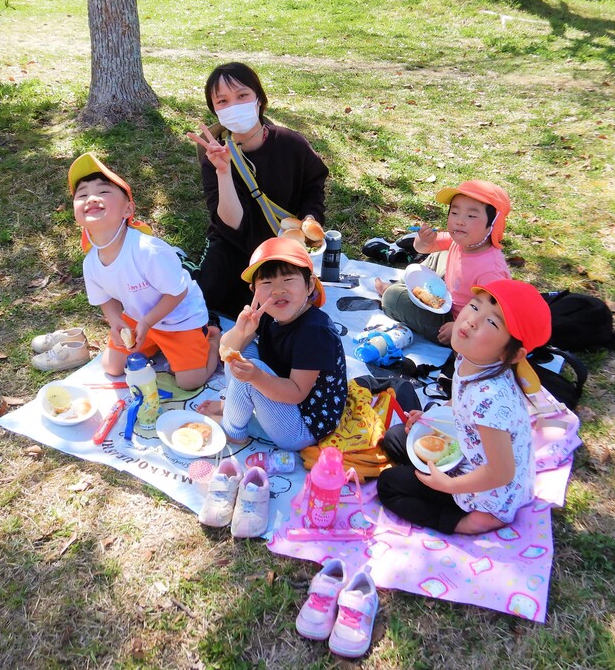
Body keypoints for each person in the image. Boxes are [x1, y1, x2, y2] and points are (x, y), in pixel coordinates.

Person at [376, 279, 551, 535]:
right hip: (468, 452)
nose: (472, 320)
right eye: (475, 306)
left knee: (389, 486)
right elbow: (460, 402)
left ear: (512, 355)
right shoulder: (473, 358)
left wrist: (447, 485)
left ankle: (470, 522)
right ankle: (434, 481)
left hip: (487, 490)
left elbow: (501, 472)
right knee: (394, 437)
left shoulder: (490, 398)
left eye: (492, 322)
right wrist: (430, 418)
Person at [187, 62, 329, 317]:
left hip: (281, 245)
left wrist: (310, 218)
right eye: (222, 101)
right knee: (207, 300)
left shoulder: (290, 143)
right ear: (215, 110)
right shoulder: (214, 155)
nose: (233, 106)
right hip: (232, 244)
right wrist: (223, 171)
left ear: (259, 99)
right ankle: (183, 264)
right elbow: (230, 223)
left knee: (286, 308)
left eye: (242, 96)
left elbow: (313, 187)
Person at [69, 152, 219, 388]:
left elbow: (177, 293)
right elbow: (105, 298)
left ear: (128, 210)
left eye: (103, 191)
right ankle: (156, 344)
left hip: (180, 318)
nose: (91, 198)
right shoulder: (91, 262)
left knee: (190, 382)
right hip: (139, 319)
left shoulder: (147, 250)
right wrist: (116, 320)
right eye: (82, 194)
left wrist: (148, 322)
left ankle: (211, 338)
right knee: (112, 367)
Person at [196, 237, 347, 451]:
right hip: (281, 401)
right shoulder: (267, 312)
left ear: (309, 284)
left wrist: (255, 377)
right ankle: (235, 407)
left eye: (288, 280)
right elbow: (225, 351)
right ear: (253, 290)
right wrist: (241, 330)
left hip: (303, 426)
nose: (277, 290)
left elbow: (296, 393)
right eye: (267, 283)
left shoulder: (316, 332)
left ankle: (233, 431)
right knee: (240, 352)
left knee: (250, 371)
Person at [374, 179, 512, 345]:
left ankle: (392, 292)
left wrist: (457, 327)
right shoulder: (462, 240)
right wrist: (424, 240)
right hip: (447, 294)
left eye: (471, 216)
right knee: (439, 255)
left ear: (494, 226)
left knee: (393, 298)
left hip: (455, 323)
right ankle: (406, 286)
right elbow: (425, 248)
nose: (459, 221)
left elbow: (495, 315)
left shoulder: (491, 271)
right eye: (454, 213)